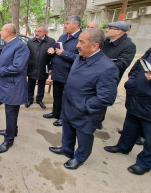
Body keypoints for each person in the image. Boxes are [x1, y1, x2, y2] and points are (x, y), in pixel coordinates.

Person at [49, 28, 119, 169]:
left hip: (85, 112)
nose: (77, 45)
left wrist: (84, 106)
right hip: (69, 106)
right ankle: (67, 149)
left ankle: (80, 157)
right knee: (67, 131)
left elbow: (107, 98)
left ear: (95, 46)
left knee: (84, 137)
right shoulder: (80, 57)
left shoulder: (107, 68)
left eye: (81, 42)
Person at [104, 47, 151, 176]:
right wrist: (131, 81)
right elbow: (138, 65)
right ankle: (123, 147)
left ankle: (144, 163)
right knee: (130, 126)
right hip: (137, 98)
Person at [0, 23, 29, 153]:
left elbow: (18, 67)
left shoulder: (20, 46)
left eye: (1, 30)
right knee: (11, 111)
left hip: (14, 85)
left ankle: (8, 140)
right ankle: (12, 130)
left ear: (8, 32)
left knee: (10, 111)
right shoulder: (9, 44)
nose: (0, 32)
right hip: (8, 83)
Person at [43, 15, 82, 126]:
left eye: (67, 23)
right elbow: (56, 49)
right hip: (57, 72)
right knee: (57, 95)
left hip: (69, 75)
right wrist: (52, 50)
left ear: (76, 24)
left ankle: (63, 117)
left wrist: (63, 53)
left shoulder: (81, 38)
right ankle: (55, 113)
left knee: (66, 98)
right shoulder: (63, 37)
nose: (64, 26)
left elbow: (81, 58)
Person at [26, 25, 55, 109]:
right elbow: (27, 55)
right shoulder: (30, 42)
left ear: (45, 32)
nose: (36, 33)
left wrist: (51, 67)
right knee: (30, 85)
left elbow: (53, 56)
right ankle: (29, 100)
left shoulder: (51, 41)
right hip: (32, 67)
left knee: (42, 85)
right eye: (36, 31)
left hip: (44, 67)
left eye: (39, 31)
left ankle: (39, 100)